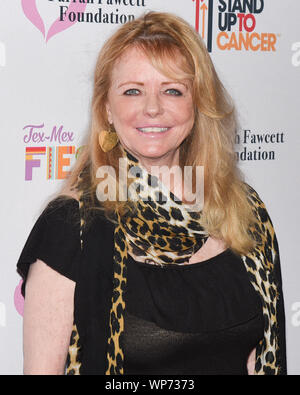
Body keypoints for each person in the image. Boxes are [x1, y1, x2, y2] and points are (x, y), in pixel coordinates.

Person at [17, 12, 286, 375]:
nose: (153, 107)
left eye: (172, 90)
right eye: (133, 91)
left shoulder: (243, 211)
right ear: (107, 109)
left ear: (198, 103)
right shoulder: (71, 225)